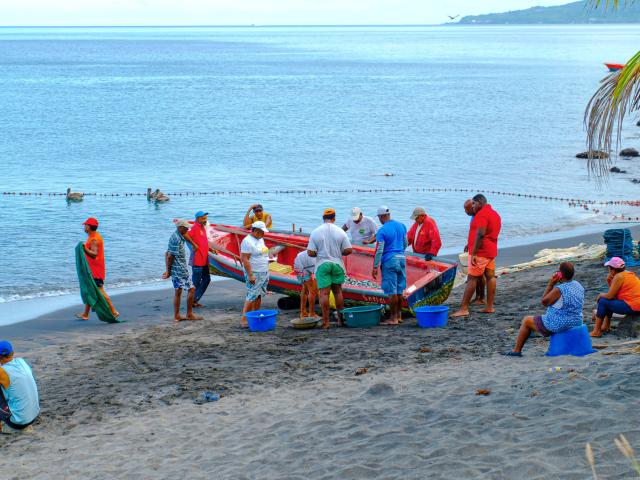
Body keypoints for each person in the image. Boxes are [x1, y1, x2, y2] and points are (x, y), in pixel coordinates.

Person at [503, 262, 584, 356]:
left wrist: (550, 284)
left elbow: (544, 302)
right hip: (577, 321)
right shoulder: (578, 285)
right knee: (539, 319)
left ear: (560, 274)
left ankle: (516, 351)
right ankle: (531, 332)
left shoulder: (559, 289)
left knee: (526, 320)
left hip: (559, 324)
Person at [452, 194, 501, 318]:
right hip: (491, 250)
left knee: (472, 278)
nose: (472, 206)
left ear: (479, 203)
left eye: (473, 203)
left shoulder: (482, 214)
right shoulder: (494, 213)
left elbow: (480, 234)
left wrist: (473, 253)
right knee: (490, 276)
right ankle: (489, 306)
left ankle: (464, 308)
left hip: (481, 252)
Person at [308, 208, 353, 329]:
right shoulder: (341, 232)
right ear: (334, 218)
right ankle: (340, 320)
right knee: (338, 292)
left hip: (322, 264)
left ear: (323, 218)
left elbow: (310, 253)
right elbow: (349, 250)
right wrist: (339, 252)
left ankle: (326, 322)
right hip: (337, 264)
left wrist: (319, 253)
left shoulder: (315, 232)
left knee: (324, 293)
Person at [75, 217, 119, 320]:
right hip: (94, 269)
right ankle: (86, 314)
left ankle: (114, 311)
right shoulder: (93, 236)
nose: (84, 227)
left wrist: (84, 248)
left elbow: (94, 254)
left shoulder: (94, 239)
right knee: (90, 290)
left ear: (89, 227)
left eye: (85, 225)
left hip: (95, 270)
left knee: (100, 291)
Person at [372, 206, 408, 326]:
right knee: (399, 289)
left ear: (382, 216)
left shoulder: (382, 230)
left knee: (391, 290)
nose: (379, 220)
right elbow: (405, 243)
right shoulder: (402, 226)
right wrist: (399, 252)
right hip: (402, 258)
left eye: (379, 218)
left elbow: (380, 249)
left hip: (389, 260)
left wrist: (375, 266)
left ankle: (393, 318)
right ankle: (399, 315)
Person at [163, 220, 202, 322]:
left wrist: (194, 244)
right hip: (180, 270)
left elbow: (167, 253)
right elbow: (169, 256)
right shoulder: (176, 239)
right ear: (180, 227)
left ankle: (177, 316)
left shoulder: (178, 234)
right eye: (186, 228)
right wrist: (168, 272)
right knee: (192, 289)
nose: (187, 229)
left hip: (176, 270)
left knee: (178, 291)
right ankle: (189, 314)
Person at [591, 257, 640, 337]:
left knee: (603, 301)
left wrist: (600, 295)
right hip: (636, 304)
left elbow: (610, 296)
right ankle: (606, 326)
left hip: (632, 305)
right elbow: (614, 294)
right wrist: (609, 281)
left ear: (613, 270)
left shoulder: (618, 277)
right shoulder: (628, 273)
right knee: (607, 301)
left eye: (609, 268)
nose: (609, 270)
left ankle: (597, 331)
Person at [0, 341, 40, 434]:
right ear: (12, 353)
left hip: (18, 422)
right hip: (34, 415)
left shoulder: (2, 372)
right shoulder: (22, 361)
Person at [240, 221, 271, 328]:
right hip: (255, 271)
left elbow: (262, 252)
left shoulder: (260, 239)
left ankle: (255, 315)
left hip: (264, 270)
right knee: (252, 295)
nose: (263, 234)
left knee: (259, 295)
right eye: (262, 232)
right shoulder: (247, 241)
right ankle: (244, 319)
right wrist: (250, 275)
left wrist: (269, 259)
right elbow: (245, 259)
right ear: (255, 231)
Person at [189, 211, 214, 307]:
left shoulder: (202, 227)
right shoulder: (195, 227)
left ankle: (194, 299)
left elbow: (203, 240)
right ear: (198, 218)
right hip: (197, 260)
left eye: (206, 218)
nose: (205, 220)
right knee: (195, 282)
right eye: (203, 218)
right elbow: (185, 235)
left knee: (207, 279)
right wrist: (193, 244)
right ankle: (192, 301)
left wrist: (210, 248)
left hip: (204, 260)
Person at [464, 199, 486, 305]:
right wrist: (468, 245)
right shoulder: (473, 217)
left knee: (479, 275)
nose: (466, 211)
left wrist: (475, 250)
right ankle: (478, 296)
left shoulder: (479, 217)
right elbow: (473, 233)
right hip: (474, 247)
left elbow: (481, 234)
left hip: (479, 250)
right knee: (477, 275)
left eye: (467, 209)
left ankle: (481, 297)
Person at [294, 250, 318, 318]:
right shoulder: (320, 257)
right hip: (302, 267)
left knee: (305, 289)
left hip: (299, 264)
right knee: (313, 291)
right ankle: (312, 313)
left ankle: (303, 312)